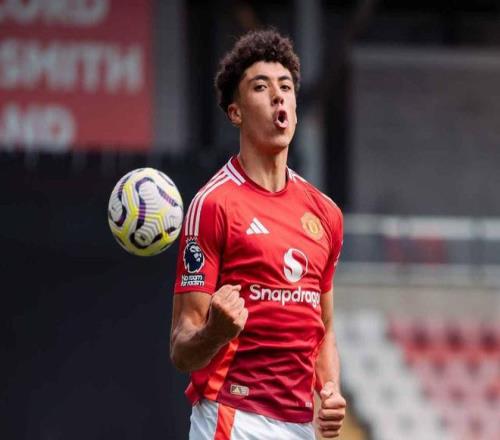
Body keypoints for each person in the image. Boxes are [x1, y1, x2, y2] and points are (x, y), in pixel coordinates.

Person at [170, 28, 345, 439]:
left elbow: (324, 329)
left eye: (286, 87)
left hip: (299, 425)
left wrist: (331, 389)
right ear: (236, 112)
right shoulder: (213, 205)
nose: (278, 96)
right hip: (233, 418)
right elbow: (181, 348)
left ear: (295, 108)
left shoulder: (326, 214)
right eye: (261, 87)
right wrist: (214, 332)